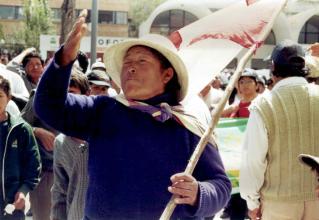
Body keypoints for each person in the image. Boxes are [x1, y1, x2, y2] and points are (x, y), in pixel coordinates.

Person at [34, 12, 231, 219]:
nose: (131, 68)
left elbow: (221, 185)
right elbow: (49, 106)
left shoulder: (187, 126)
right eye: (127, 63)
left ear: (167, 74)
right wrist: (62, 61)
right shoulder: (101, 111)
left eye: (142, 61)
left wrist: (199, 193)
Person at [240, 40, 319, 220]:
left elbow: (253, 161)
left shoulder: (263, 104)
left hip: (278, 205)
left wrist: (252, 203)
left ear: (273, 67)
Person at [0, 75, 41, 219]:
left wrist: (23, 191)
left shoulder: (21, 129)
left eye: (0, 96)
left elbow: (33, 165)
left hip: (12, 204)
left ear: (9, 97)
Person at [51, 72, 90, 220]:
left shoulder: (104, 134)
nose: (64, 100)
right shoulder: (61, 142)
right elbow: (60, 191)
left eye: (71, 93)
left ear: (87, 95)